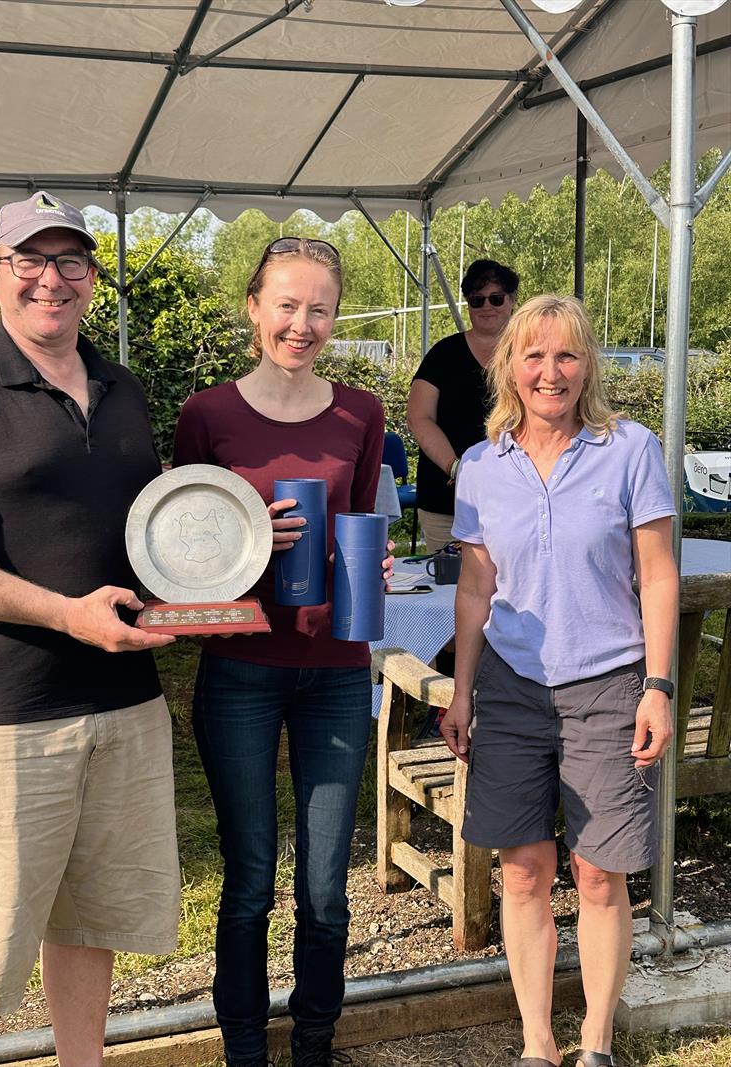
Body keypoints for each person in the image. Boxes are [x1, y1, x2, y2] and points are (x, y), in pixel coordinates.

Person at [0, 192, 181, 1067]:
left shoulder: (122, 388)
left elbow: (139, 532)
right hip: (0, 715)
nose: (51, 278)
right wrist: (64, 615)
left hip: (122, 704)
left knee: (90, 921)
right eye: (28, 260)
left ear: (91, 280)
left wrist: (233, 548)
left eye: (70, 260)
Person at [440, 295, 678, 1067]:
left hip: (609, 683)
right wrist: (462, 690)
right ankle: (538, 1043)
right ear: (509, 364)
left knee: (601, 874)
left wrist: (660, 685)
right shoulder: (480, 465)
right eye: (534, 355)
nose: (550, 371)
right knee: (523, 868)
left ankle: (597, 1040)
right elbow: (475, 589)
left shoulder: (630, 449)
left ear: (588, 367)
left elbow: (657, 575)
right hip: (511, 687)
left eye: (567, 355)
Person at [172, 237, 389, 1067]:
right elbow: (181, 556)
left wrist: (370, 558)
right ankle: (242, 1048)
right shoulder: (208, 414)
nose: (302, 324)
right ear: (255, 306)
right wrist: (249, 544)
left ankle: (314, 1044)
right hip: (242, 667)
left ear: (337, 316)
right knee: (251, 877)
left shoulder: (361, 414)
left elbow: (357, 524)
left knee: (327, 888)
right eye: (287, 304)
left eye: (320, 308)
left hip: (335, 670)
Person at [407, 258, 519, 553]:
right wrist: (457, 469)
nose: (486, 307)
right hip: (446, 503)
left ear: (512, 301)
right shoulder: (443, 354)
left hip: (517, 502)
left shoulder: (530, 355)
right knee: (448, 590)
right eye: (476, 300)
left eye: (496, 298)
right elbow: (419, 418)